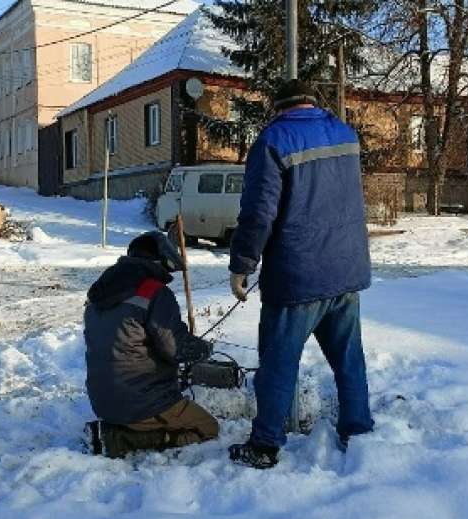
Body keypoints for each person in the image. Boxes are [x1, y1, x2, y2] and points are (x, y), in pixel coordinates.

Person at [227, 79, 374, 469]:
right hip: (346, 268)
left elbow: (259, 213)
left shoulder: (274, 141)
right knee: (348, 359)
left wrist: (242, 265)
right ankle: (357, 432)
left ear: (277, 107)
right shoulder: (344, 133)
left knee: (278, 362)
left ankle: (265, 445)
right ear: (312, 103)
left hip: (298, 276)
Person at [84, 231, 218, 458]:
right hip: (140, 399)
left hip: (101, 399)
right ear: (159, 260)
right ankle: (118, 439)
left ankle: (123, 427)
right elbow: (174, 348)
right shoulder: (154, 291)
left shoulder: (102, 291)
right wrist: (203, 348)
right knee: (208, 427)